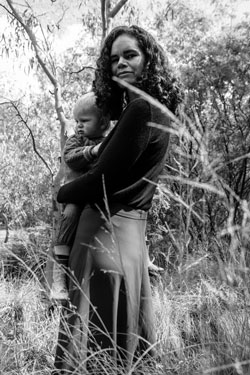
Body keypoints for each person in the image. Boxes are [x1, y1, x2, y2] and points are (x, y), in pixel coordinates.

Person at [53, 25, 181, 374]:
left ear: (148, 60)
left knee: (90, 349)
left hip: (103, 236)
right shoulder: (154, 112)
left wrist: (63, 193)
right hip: (129, 241)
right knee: (120, 348)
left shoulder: (141, 110)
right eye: (113, 59)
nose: (120, 64)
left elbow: (99, 182)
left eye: (130, 55)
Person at [51, 92, 110, 300]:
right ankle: (59, 279)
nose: (79, 125)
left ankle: (143, 256)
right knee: (69, 216)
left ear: (103, 123)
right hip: (74, 194)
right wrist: (93, 151)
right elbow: (70, 158)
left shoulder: (110, 140)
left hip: (98, 195)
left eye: (84, 121)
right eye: (76, 121)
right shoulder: (76, 139)